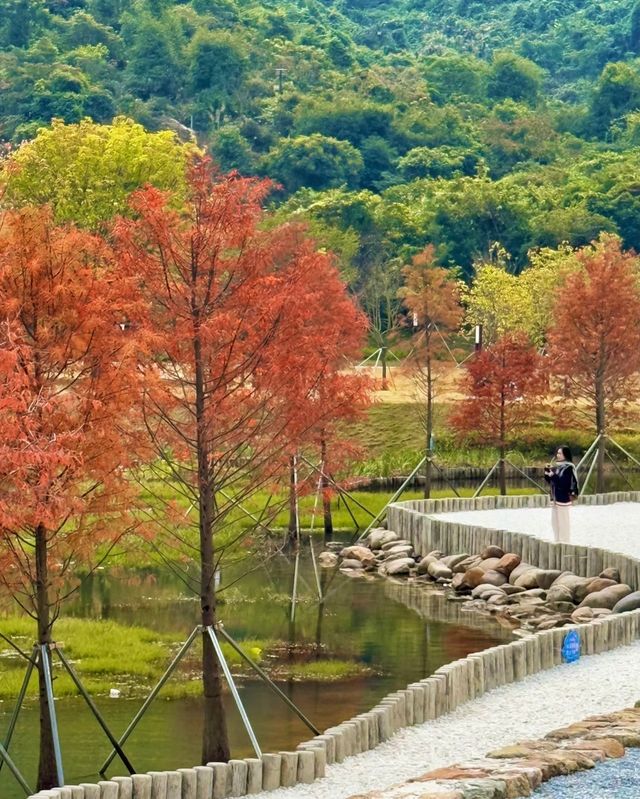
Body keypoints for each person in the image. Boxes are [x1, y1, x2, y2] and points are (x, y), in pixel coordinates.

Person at [543, 446, 579, 543]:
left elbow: (563, 484)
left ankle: (565, 542)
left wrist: (552, 475)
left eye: (560, 453)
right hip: (555, 498)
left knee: (563, 522)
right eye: (557, 453)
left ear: (565, 455)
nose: (558, 455)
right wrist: (547, 473)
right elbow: (552, 481)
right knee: (554, 522)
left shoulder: (568, 468)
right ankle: (557, 540)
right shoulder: (558, 467)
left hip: (563, 498)